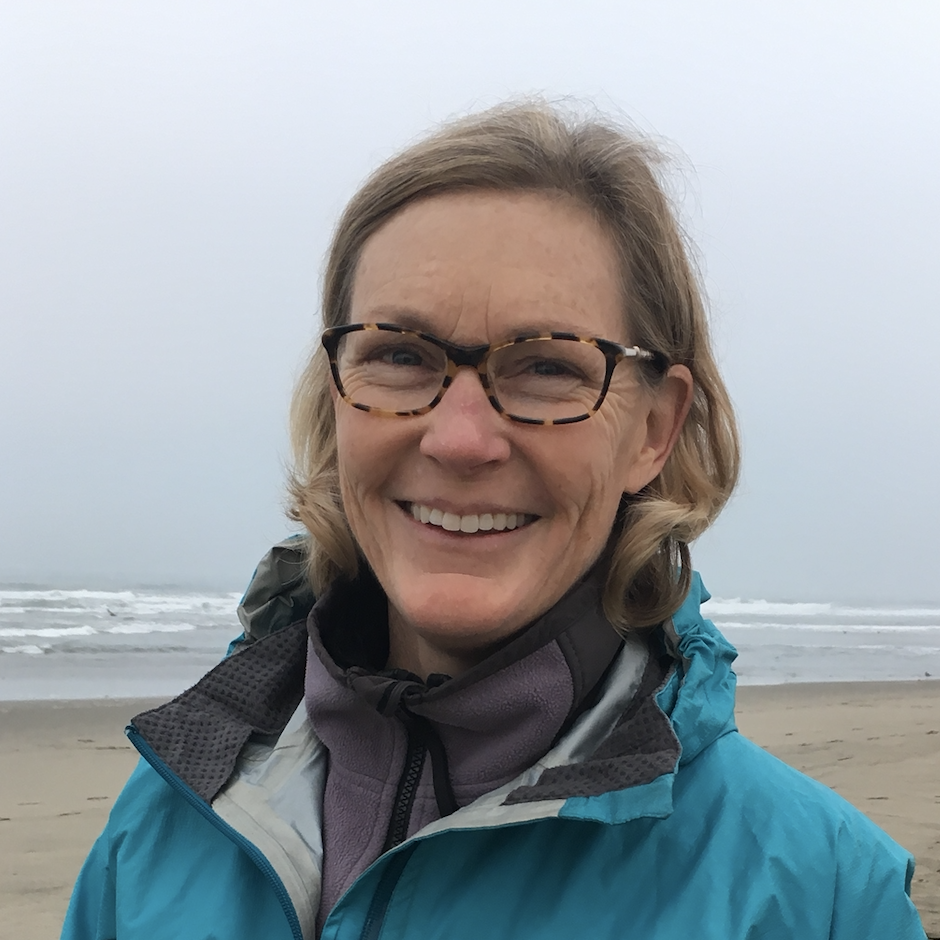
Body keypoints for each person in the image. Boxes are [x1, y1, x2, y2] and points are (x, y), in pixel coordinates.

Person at [61, 101, 926, 940]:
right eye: (399, 355)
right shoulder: (162, 825)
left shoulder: (822, 898)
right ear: (337, 398)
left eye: (547, 366)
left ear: (655, 429)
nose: (462, 439)